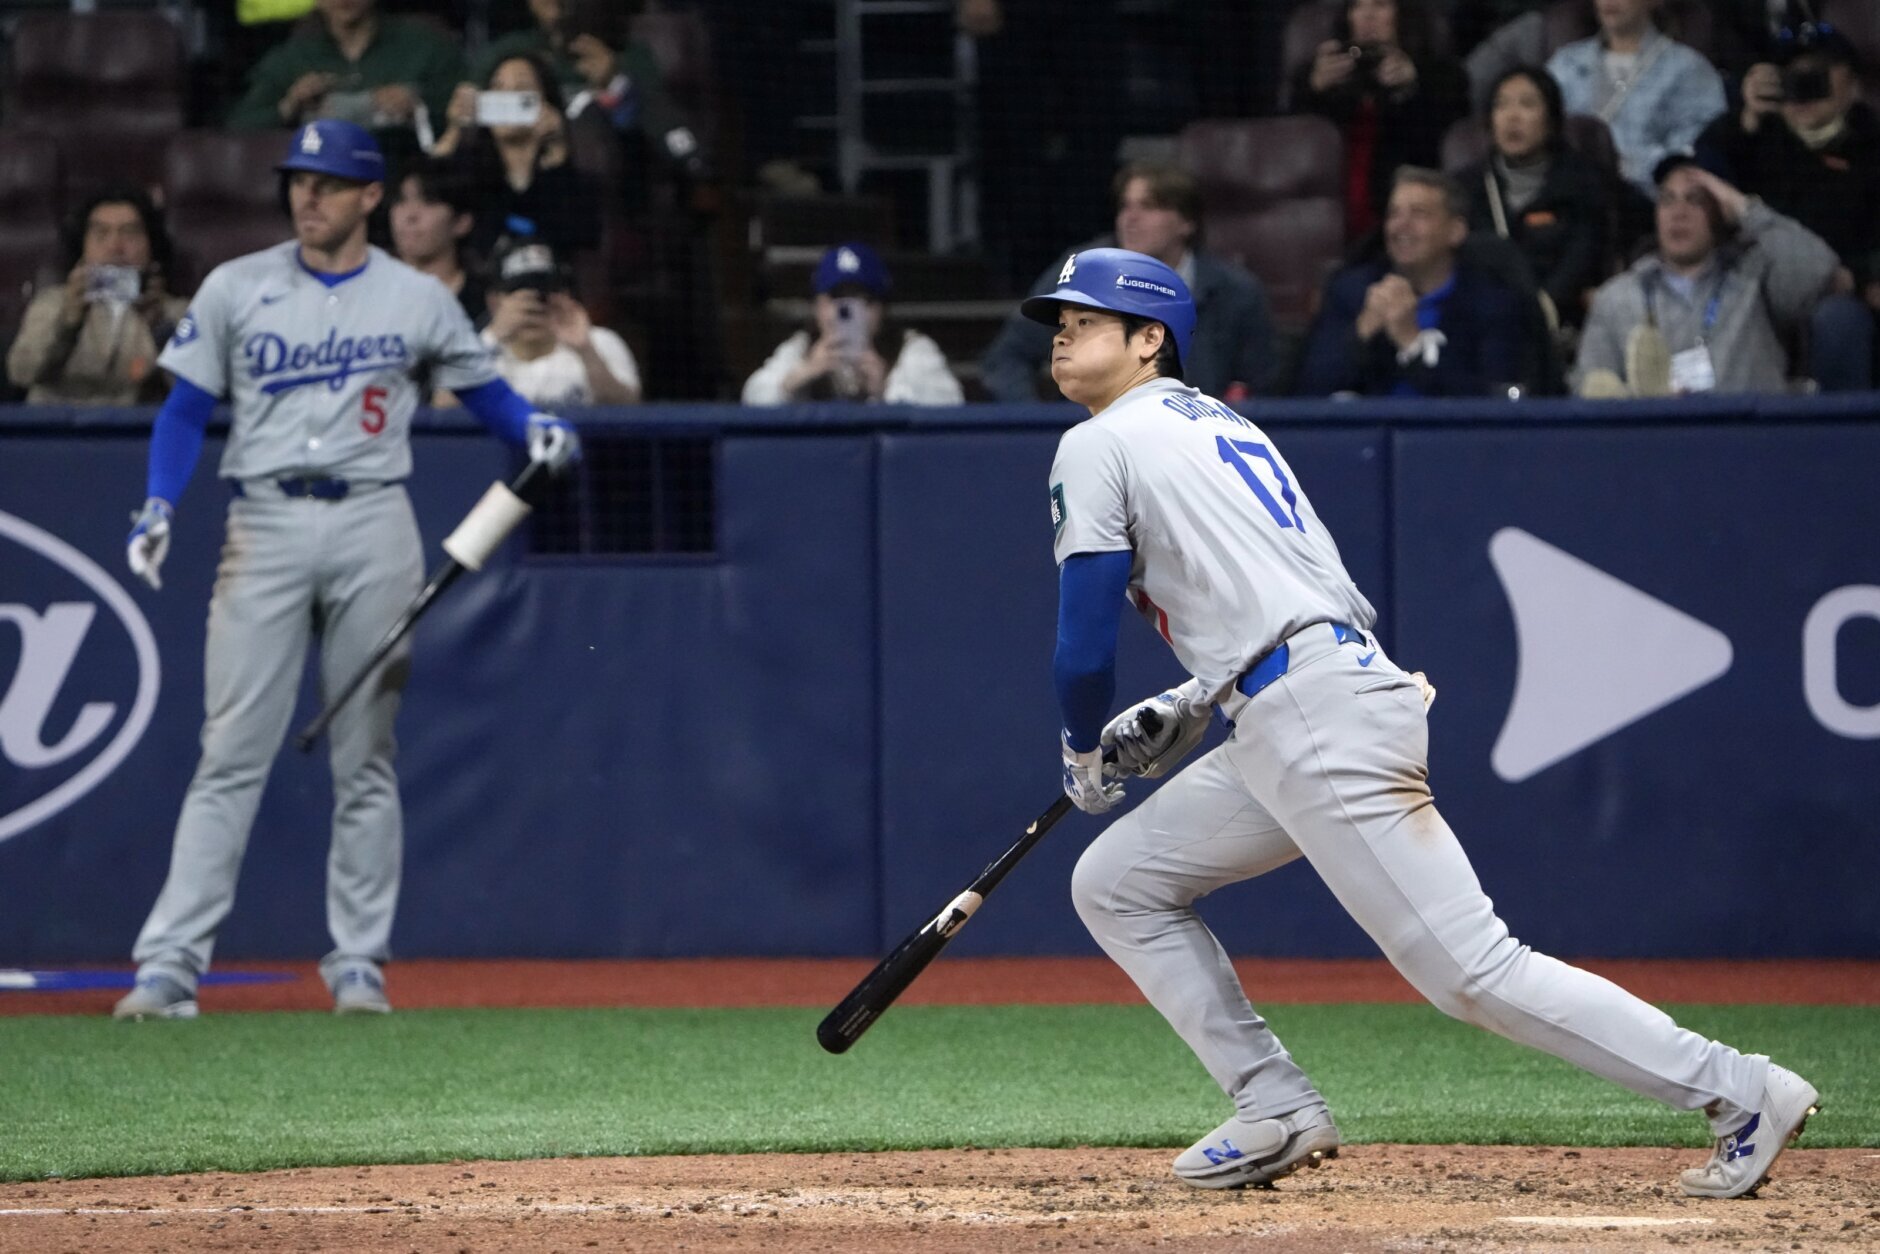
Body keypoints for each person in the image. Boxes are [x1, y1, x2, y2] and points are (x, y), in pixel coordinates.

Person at [1028, 243, 1819, 1200]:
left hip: (1313, 715)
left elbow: (1084, 645)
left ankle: (1740, 1090)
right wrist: (1198, 698)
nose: (1062, 336)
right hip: (1313, 696)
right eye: (1060, 322)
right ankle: (1274, 1104)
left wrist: (1082, 750)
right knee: (1117, 883)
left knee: (1471, 971)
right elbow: (1293, 595)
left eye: (1085, 320)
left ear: (1150, 339)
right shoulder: (1218, 423)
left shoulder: (1099, 440)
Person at [111, 121, 582, 1022]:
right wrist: (160, 500)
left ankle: (359, 962)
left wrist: (535, 428)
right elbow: (184, 410)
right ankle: (169, 965)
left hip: (373, 520)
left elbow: (488, 397)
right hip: (264, 521)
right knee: (229, 752)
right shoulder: (236, 284)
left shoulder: (416, 297)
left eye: (326, 182)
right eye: (299, 179)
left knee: (366, 754)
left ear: (370, 195)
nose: (307, 195)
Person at [981, 164, 1276, 403]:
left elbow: (1262, 385)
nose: (1130, 219)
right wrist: (1039, 427)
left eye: (1149, 207)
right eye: (1125, 206)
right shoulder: (1082, 274)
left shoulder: (1235, 292)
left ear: (1186, 223)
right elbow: (1006, 358)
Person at [1695, 22, 1878, 391]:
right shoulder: (1755, 137)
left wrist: (1859, 278)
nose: (1804, 86)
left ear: (1852, 83)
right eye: (1792, 75)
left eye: (1818, 73)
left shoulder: (1871, 146)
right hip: (1756, 286)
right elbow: (1698, 182)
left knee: (1839, 320)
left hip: (1840, 289)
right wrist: (1745, 118)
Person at [1573, 157, 1840, 396]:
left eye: (1695, 200)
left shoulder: (1756, 279)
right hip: (1658, 434)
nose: (1679, 213)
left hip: (1747, 433)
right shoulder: (1617, 298)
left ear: (1720, 213)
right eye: (1667, 200)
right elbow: (1590, 386)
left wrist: (1744, 208)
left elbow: (1819, 268)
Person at [1294, 167, 1537, 397]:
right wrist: (1361, 334)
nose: (1401, 225)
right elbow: (1306, 390)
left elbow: (1496, 402)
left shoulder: (1493, 304)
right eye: (1394, 214)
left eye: (1419, 213)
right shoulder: (1351, 292)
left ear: (1456, 231)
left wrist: (1412, 345)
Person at [1290, 0, 1470, 242]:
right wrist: (1314, 88)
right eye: (1358, 6)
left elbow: (1448, 136)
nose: (1368, 15)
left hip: (1400, 217)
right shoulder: (1316, 77)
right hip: (1331, 217)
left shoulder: (1439, 75)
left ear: (1402, 15)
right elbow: (1286, 144)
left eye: (1380, 5)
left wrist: (1412, 85)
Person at [1460, 66, 1612, 332]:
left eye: (1527, 104)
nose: (1512, 117)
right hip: (1482, 322)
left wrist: (1540, 311)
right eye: (1501, 105)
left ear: (1552, 119)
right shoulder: (1465, 188)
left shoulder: (1584, 183)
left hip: (1562, 322)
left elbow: (1581, 261)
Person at [6, 188, 188, 405]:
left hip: (134, 424)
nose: (115, 247)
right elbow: (21, 373)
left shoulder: (176, 313)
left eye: (130, 234)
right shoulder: (52, 304)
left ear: (152, 246)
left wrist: (160, 329)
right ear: (83, 248)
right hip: (54, 422)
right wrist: (68, 324)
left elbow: (196, 387)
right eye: (101, 234)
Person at [1546, 0, 1726, 207]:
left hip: (1649, 203)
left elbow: (1694, 150)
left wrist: (1626, 165)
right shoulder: (1565, 63)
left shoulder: (1689, 68)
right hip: (1569, 198)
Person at [431, 51, 604, 260]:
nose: (506, 99)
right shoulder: (470, 169)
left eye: (521, 89)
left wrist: (556, 149)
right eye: (498, 88)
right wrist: (453, 130)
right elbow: (428, 196)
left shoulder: (569, 172)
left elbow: (578, 236)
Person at [226, 0, 462, 152]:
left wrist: (418, 108)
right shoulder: (292, 58)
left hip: (403, 181)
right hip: (322, 180)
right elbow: (237, 131)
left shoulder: (425, 45)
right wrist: (289, 106)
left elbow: (466, 116)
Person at [743, 242, 963, 405]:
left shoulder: (911, 348)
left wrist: (886, 388)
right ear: (818, 308)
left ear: (882, 309)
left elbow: (950, 403)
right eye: (837, 299)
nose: (848, 312)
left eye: (862, 300)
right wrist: (801, 375)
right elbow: (752, 398)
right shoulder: (801, 348)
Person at [477, 235, 641, 406]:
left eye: (544, 293)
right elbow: (454, 408)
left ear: (565, 295)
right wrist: (492, 338)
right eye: (521, 295)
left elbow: (629, 409)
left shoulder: (600, 342)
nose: (534, 306)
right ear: (494, 302)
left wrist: (586, 351)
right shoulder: (478, 350)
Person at [388, 157, 486, 326]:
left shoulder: (486, 299)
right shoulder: (369, 292)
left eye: (428, 202)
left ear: (462, 222)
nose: (410, 215)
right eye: (401, 200)